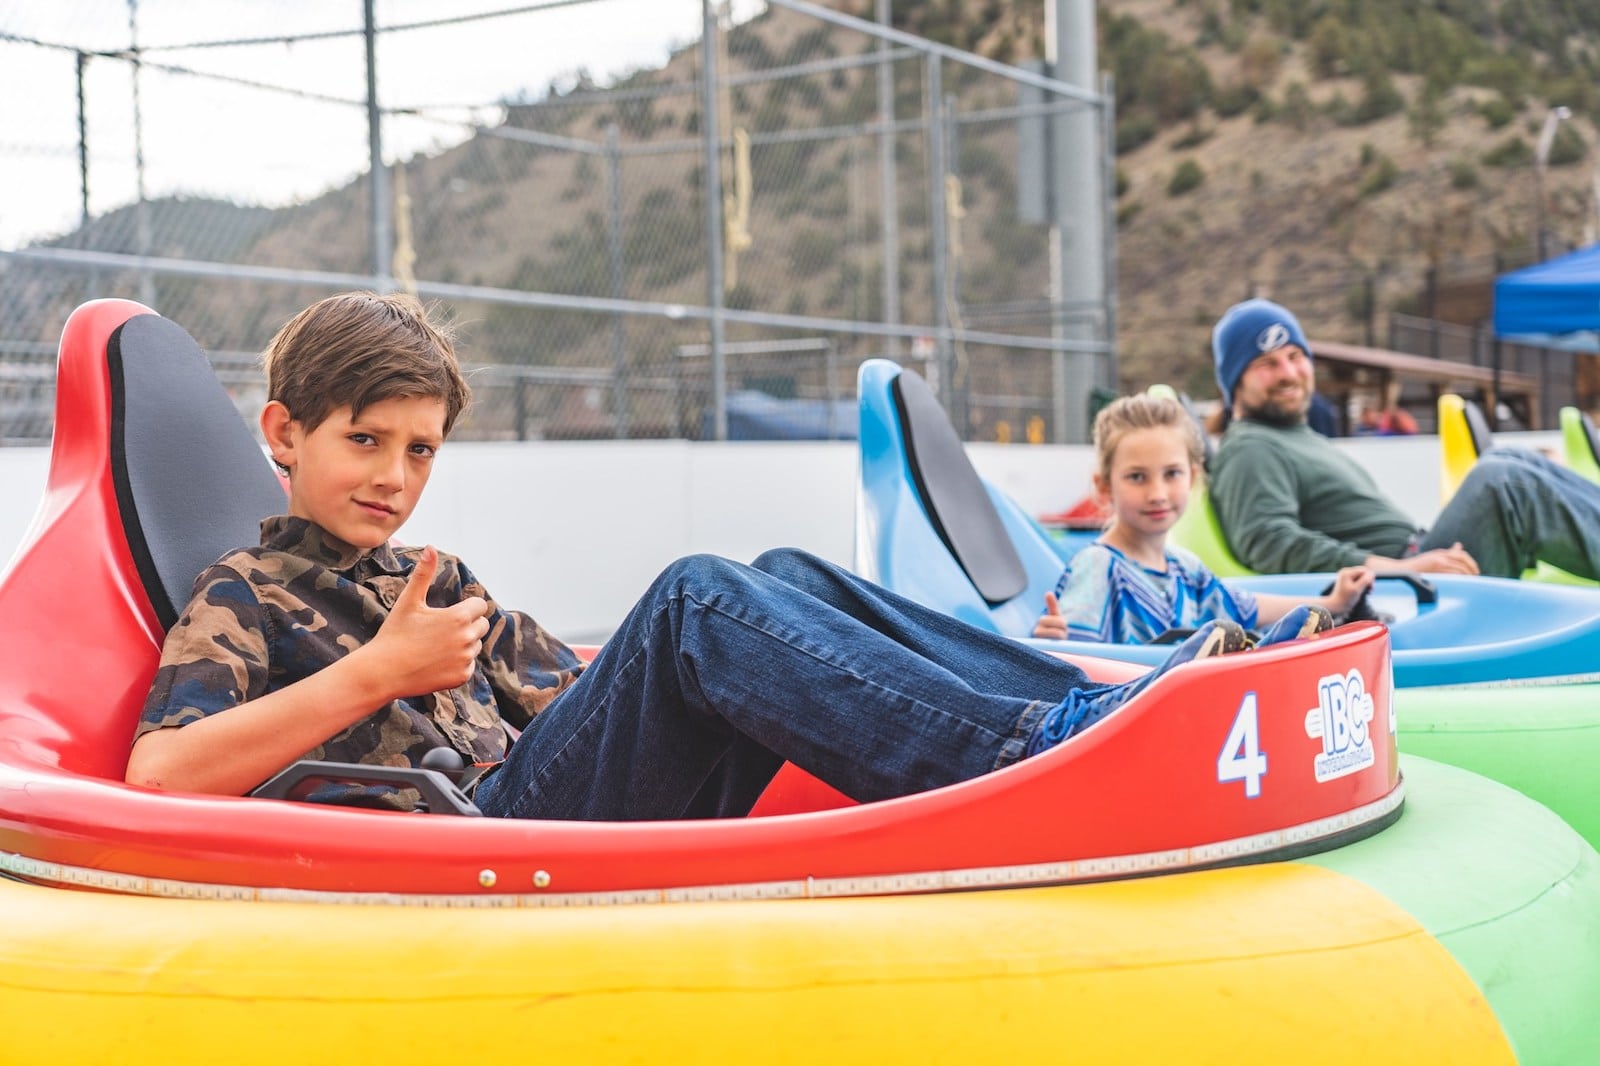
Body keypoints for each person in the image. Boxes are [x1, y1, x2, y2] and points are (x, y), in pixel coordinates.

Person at [126, 291, 1255, 821]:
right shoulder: (247, 590)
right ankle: (1032, 757)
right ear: (283, 435)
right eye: (362, 441)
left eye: (419, 449)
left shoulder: (439, 582)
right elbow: (162, 773)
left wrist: (752, 662)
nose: (393, 475)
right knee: (692, 599)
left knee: (783, 577)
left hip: (552, 792)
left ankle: (1090, 705)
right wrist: (374, 674)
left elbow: (581, 700)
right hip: (479, 839)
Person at [1208, 297, 1600, 579]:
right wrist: (1399, 568)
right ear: (1234, 381)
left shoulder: (1294, 436)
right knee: (1502, 481)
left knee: (1515, 461)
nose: (1288, 373)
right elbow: (1268, 543)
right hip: (1404, 589)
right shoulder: (1250, 446)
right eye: (1266, 364)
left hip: (1417, 562)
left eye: (1295, 356)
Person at [1032, 393, 1371, 644]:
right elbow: (1074, 660)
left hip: (1189, 711)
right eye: (1137, 477)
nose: (1158, 493)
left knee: (1277, 635)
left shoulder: (1185, 568)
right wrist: (1053, 644)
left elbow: (1247, 607)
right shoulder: (1098, 566)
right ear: (1105, 487)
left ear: (1192, 479)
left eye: (1172, 474)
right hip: (1134, 713)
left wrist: (1333, 603)